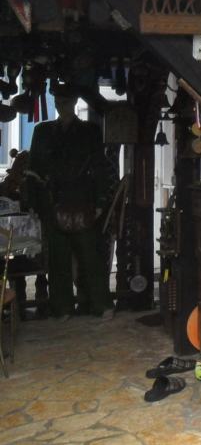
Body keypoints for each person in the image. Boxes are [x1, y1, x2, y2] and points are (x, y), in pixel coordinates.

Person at [27, 84, 114, 319]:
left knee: (91, 256)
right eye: (57, 102)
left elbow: (99, 167)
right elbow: (32, 170)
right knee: (58, 259)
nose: (60, 106)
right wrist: (32, 204)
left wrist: (100, 202)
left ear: (74, 103)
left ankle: (100, 304)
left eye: (65, 102)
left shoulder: (90, 131)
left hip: (83, 201)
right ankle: (62, 307)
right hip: (52, 201)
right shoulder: (42, 132)